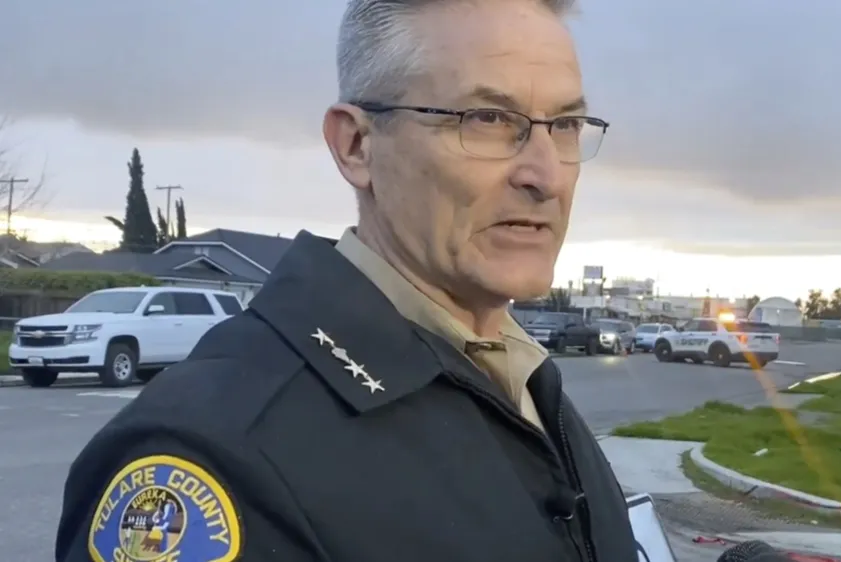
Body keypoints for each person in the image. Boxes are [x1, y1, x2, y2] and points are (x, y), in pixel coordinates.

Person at [55, 0, 632, 560]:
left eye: (566, 125)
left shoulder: (524, 381)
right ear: (356, 145)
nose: (546, 175)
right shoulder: (215, 451)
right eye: (487, 120)